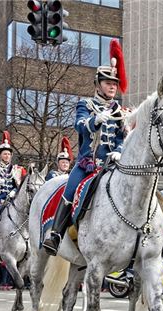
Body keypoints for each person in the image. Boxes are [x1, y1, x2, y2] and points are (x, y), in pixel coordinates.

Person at [43, 39, 129, 256]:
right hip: (88, 163)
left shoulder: (120, 110)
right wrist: (95, 120)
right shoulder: (85, 104)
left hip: (112, 165)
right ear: (98, 84)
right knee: (70, 190)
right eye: (108, 82)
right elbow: (79, 125)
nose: (112, 86)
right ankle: (55, 235)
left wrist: (119, 149)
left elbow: (120, 137)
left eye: (114, 83)